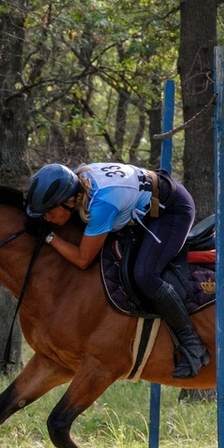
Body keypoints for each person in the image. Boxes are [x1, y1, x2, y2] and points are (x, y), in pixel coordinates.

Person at [25, 162, 209, 379]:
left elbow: (83, 259)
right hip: (145, 197)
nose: (47, 219)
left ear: (68, 202)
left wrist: (49, 236)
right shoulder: (72, 183)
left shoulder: (102, 204)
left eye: (50, 213)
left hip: (172, 210)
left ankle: (193, 345)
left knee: (145, 275)